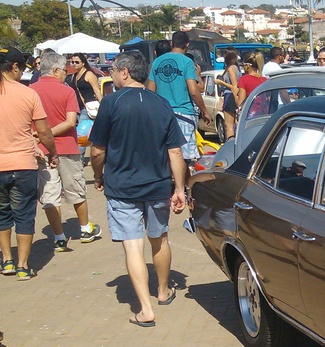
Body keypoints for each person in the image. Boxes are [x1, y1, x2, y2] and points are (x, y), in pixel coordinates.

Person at [89, 50, 187, 327]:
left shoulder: (111, 103)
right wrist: (179, 188)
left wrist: (98, 176)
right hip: (158, 185)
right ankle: (163, 290)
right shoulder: (161, 103)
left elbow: (98, 151)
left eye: (112, 71)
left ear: (124, 72)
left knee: (133, 246)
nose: (110, 76)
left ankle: (145, 309)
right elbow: (175, 152)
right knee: (160, 239)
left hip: (122, 187)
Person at [31, 50, 101, 253]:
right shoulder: (66, 91)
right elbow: (70, 122)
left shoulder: (31, 91)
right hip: (67, 147)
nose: (65, 73)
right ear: (54, 70)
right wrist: (48, 133)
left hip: (41, 150)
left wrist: (40, 135)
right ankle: (85, 228)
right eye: (63, 70)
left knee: (50, 194)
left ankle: (59, 236)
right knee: (76, 189)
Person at [0, 46, 59, 280]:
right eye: (21, 67)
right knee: (24, 215)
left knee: (2, 215)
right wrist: (52, 152)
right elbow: (44, 132)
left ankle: (7, 261)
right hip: (23, 164)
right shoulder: (27, 94)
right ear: (14, 67)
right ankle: (23, 265)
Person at [146, 31, 212, 168]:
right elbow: (194, 91)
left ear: (171, 43)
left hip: (162, 114)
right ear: (187, 45)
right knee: (184, 157)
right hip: (184, 114)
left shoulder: (157, 62)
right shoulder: (187, 62)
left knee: (167, 153)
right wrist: (204, 111)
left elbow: (150, 91)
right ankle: (181, 186)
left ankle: (170, 183)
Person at [214, 49, 241, 141]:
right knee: (235, 122)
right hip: (232, 96)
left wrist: (221, 82)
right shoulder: (236, 68)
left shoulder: (230, 69)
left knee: (228, 125)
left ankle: (230, 144)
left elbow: (234, 86)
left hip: (230, 96)